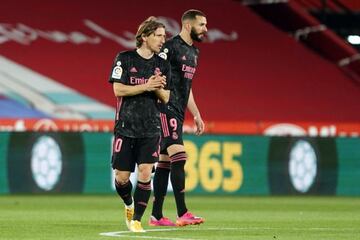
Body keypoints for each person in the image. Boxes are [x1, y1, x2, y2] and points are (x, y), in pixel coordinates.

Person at [108, 16, 171, 233]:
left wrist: (155, 87)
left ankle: (136, 220)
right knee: (122, 178)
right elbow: (118, 90)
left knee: (145, 173)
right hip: (125, 127)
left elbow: (166, 97)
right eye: (159, 35)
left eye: (164, 36)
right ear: (145, 36)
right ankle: (128, 203)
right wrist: (147, 85)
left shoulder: (162, 64)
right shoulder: (124, 59)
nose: (163, 40)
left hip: (151, 127)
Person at [150, 9, 207, 227]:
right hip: (165, 108)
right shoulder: (170, 47)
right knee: (179, 156)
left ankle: (156, 216)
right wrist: (160, 97)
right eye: (201, 24)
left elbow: (187, 87)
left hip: (179, 111)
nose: (205, 29)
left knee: (165, 162)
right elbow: (154, 72)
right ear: (187, 25)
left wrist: (197, 113)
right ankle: (183, 212)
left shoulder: (194, 53)